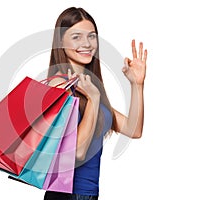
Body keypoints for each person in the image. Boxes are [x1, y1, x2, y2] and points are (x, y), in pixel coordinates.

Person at [44, 7, 147, 200]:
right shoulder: (59, 85)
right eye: (76, 37)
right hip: (67, 195)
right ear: (60, 42)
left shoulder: (90, 87)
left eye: (92, 36)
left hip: (89, 194)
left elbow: (134, 130)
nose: (87, 43)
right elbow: (77, 153)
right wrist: (93, 99)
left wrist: (137, 85)